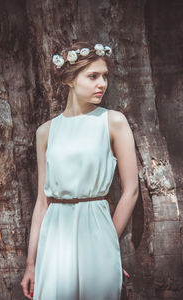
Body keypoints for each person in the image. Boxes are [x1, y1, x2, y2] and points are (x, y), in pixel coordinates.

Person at [21, 41, 139, 300]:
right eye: (93, 76)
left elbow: (131, 190)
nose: (102, 84)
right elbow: (43, 201)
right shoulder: (46, 131)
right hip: (55, 237)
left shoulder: (113, 121)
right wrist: (31, 264)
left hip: (97, 230)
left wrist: (108, 240)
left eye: (105, 76)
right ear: (70, 80)